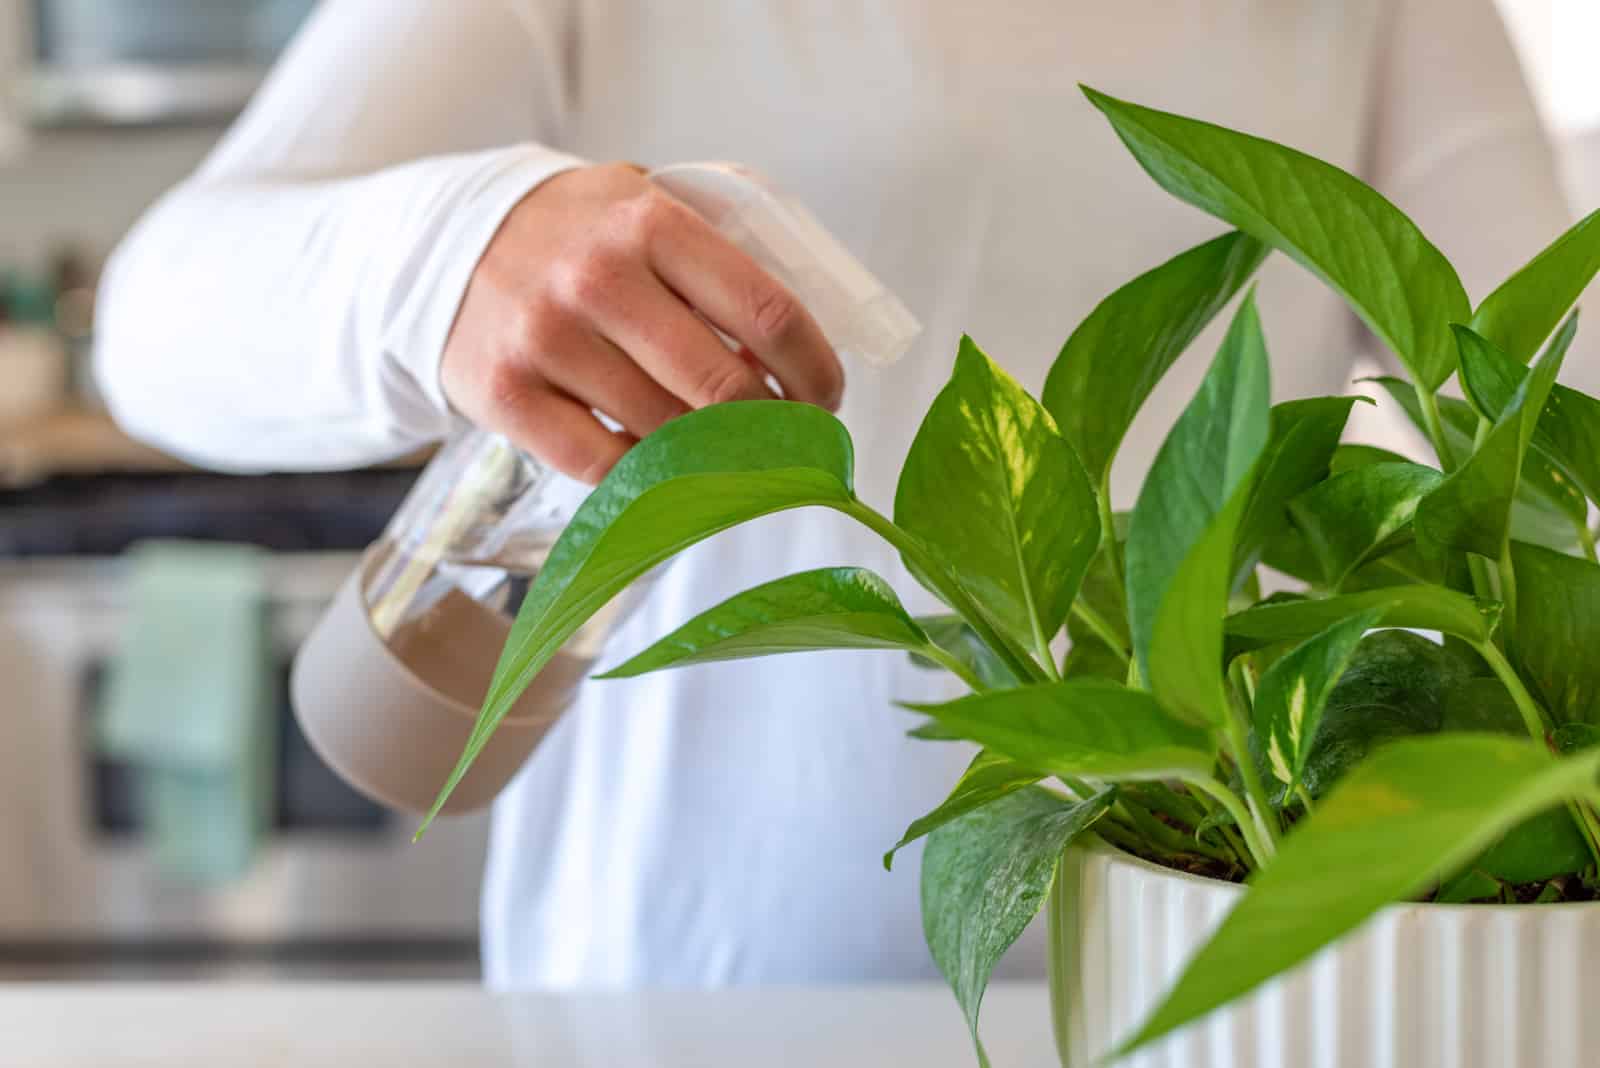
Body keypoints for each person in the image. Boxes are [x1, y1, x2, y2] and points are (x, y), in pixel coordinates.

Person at [94, 0, 1576, 988]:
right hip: (679, 983)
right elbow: (155, 318)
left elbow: (1540, 392)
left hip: (1202, 954)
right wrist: (447, 254)